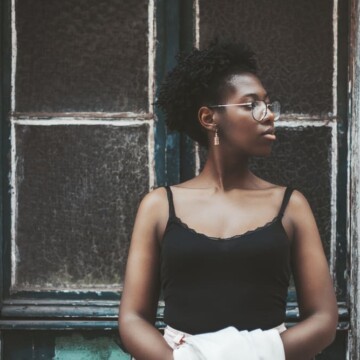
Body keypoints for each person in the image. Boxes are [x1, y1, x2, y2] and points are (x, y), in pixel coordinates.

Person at [118, 41, 338, 360]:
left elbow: (323, 320)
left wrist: (247, 356)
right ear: (209, 118)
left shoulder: (291, 205)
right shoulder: (158, 206)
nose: (269, 115)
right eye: (252, 105)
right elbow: (132, 318)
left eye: (267, 103)